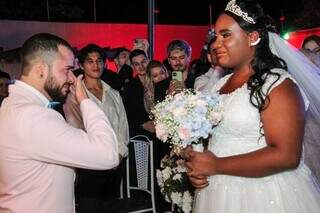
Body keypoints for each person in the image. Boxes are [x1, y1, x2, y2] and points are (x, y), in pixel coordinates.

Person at [183, 0, 320, 212]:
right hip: (218, 193)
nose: (216, 43)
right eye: (216, 36)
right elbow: (212, 138)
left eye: (226, 35)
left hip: (263, 194)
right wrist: (198, 163)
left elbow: (286, 155)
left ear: (252, 37)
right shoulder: (219, 85)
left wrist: (215, 165)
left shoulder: (278, 85)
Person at [0, 33, 119, 213]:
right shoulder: (33, 116)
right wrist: (85, 100)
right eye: (66, 69)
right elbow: (108, 154)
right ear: (41, 69)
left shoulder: (12, 105)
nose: (72, 78)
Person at [63, 44, 129, 213]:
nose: (95, 65)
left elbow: (122, 126)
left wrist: (119, 154)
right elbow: (76, 129)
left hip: (115, 162)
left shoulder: (113, 93)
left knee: (110, 208)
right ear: (81, 65)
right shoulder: (74, 96)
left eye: (99, 61)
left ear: (105, 64)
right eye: (90, 61)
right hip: (89, 165)